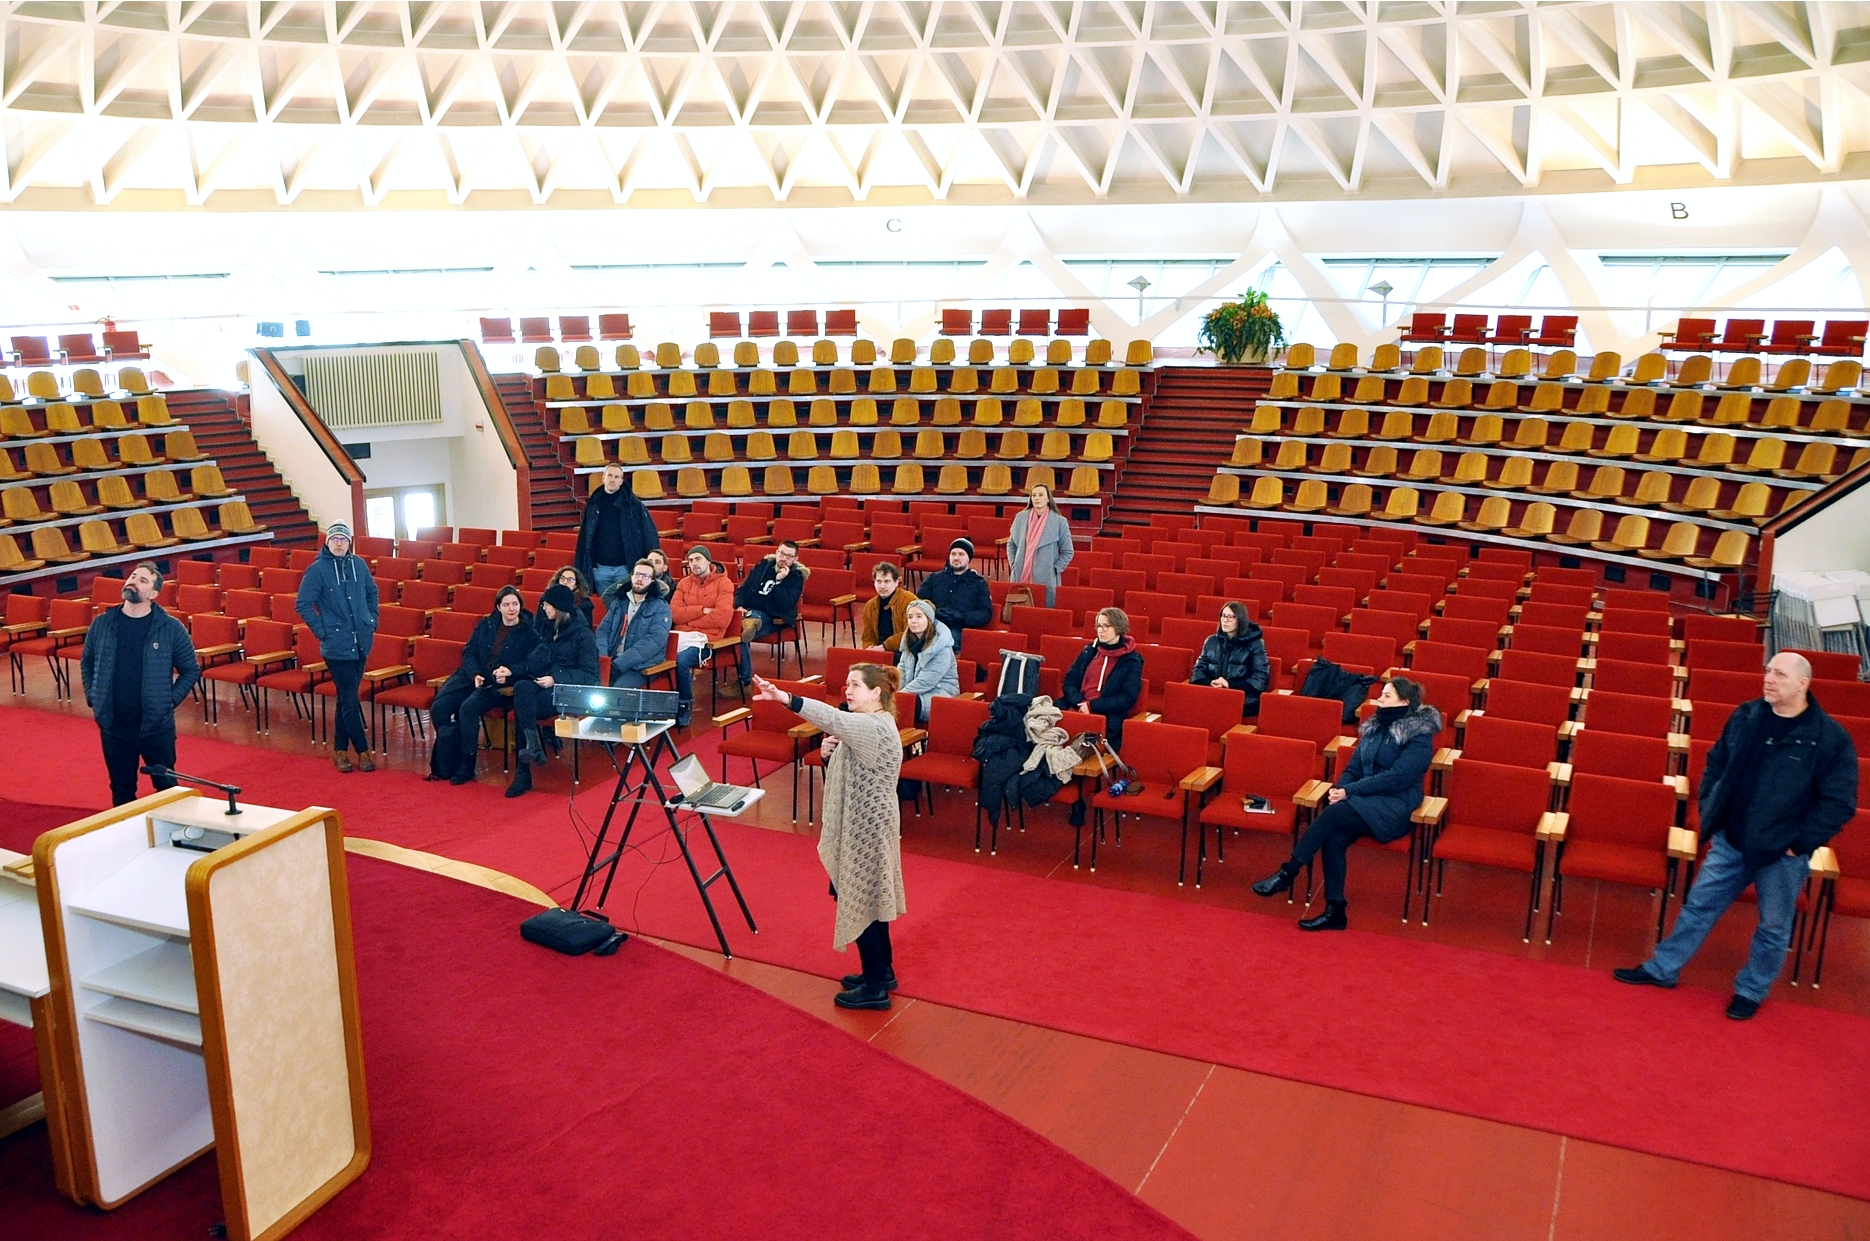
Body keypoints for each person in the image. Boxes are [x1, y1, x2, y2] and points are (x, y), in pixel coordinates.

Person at [1615, 652, 1855, 1019]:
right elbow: (1717, 762)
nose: (1768, 679)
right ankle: (1662, 969)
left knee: (1773, 927)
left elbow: (1838, 803)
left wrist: (1799, 844)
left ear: (1802, 684)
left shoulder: (1829, 738)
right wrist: (1711, 806)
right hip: (1732, 840)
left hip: (1781, 853)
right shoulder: (1747, 716)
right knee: (1699, 907)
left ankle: (1751, 991)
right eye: (1768, 671)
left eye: (1779, 674)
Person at [752, 664, 906, 1011]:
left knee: (862, 899)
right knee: (871, 898)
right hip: (867, 823)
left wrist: (784, 698)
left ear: (876, 693)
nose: (847, 690)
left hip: (867, 828)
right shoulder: (868, 723)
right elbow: (849, 764)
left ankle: (875, 989)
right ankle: (882, 973)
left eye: (855, 685)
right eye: (846, 684)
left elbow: (831, 719)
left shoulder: (872, 725)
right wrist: (828, 757)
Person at [1252, 677, 1441, 931]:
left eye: (1386, 696)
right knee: (1334, 837)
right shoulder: (1375, 726)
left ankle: (1288, 872)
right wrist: (1339, 789)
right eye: (1381, 694)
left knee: (1334, 815)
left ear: (1404, 702)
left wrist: (1348, 792)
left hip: (1396, 805)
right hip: (1364, 800)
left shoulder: (1419, 736)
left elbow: (1397, 778)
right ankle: (1335, 910)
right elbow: (1354, 767)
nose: (1379, 699)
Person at [79, 561, 200, 806]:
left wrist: (168, 701)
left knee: (167, 789)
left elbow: (190, 670)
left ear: (153, 594)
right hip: (113, 726)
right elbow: (87, 663)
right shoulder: (103, 623)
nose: (133, 582)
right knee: (121, 790)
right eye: (133, 576)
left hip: (155, 727)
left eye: (142, 580)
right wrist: (94, 697)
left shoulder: (170, 628)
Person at [427, 586, 540, 785]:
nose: (511, 609)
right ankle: (448, 758)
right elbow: (469, 652)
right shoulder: (486, 624)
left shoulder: (529, 632)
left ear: (520, 606)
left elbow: (532, 663)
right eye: (506, 605)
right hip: (472, 677)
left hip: (498, 685)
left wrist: (511, 671)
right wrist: (475, 674)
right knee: (439, 708)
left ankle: (466, 765)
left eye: (515, 604)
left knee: (467, 708)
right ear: (498, 607)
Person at [295, 521, 380, 773]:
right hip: (336, 645)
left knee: (345, 699)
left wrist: (371, 619)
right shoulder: (317, 570)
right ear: (328, 542)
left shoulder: (359, 565)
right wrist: (322, 631)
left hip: (361, 641)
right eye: (335, 539)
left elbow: (371, 593)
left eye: (344, 539)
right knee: (350, 700)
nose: (339, 543)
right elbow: (302, 604)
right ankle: (363, 752)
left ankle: (340, 751)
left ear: (349, 542)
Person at [506, 582, 600, 798]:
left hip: (570, 691)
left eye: (547, 605)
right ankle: (533, 746)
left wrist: (556, 679)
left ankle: (524, 771)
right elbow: (536, 660)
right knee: (521, 688)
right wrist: (514, 669)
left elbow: (590, 675)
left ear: (559, 608)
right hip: (545, 684)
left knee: (523, 708)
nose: (543, 608)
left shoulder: (584, 635)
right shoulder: (549, 629)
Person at [667, 545, 736, 727]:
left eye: (697, 559)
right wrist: (701, 610)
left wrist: (689, 620)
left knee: (682, 661)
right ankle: (665, 703)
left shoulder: (724, 583)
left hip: (708, 640)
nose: (693, 563)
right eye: (690, 560)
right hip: (682, 635)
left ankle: (684, 703)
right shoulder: (684, 583)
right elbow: (674, 614)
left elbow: (721, 618)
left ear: (708, 561)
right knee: (658, 656)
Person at [573, 462, 661, 600]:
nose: (612, 480)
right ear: (603, 478)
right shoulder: (593, 504)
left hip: (625, 569)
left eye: (616, 477)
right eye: (609, 476)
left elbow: (649, 534)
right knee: (607, 609)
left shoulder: (634, 505)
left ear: (621, 481)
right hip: (600, 570)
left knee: (625, 607)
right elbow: (585, 537)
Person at [1060, 607, 1144, 749]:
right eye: (1099, 626)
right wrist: (1080, 702)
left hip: (1106, 716)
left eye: (1106, 626)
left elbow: (1127, 698)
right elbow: (1070, 681)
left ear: (1118, 628)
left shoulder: (1131, 660)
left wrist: (1091, 706)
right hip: (1076, 707)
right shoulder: (1089, 651)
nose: (1101, 630)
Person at [733, 540, 806, 686]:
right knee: (736, 633)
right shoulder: (762, 567)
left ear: (795, 559)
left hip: (773, 619)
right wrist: (739, 606)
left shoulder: (796, 577)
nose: (784, 558)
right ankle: (748, 622)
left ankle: (744, 681)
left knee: (739, 635)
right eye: (782, 554)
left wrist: (779, 582)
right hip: (747, 610)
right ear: (776, 552)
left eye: (789, 556)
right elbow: (743, 590)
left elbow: (785, 605)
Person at [596, 559, 673, 688]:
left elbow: (653, 642)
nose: (640, 579)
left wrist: (618, 665)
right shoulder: (619, 602)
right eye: (637, 574)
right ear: (631, 576)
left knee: (617, 689)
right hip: (612, 660)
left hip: (641, 665)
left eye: (645, 576)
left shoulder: (661, 607)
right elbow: (603, 631)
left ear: (652, 581)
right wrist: (603, 658)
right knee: (590, 683)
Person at [1191, 601, 1272, 717]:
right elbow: (1198, 670)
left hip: (1243, 698)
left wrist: (1229, 684)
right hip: (1213, 693)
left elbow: (1260, 679)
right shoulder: (1211, 641)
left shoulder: (1256, 644)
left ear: (1240, 620)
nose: (1225, 620)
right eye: (1223, 616)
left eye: (1230, 617)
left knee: (1216, 710)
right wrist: (1210, 682)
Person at [1005, 483, 1074, 607]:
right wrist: (1013, 563)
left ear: (1048, 499)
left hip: (1046, 576)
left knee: (1042, 610)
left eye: (1041, 495)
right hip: (1020, 571)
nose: (1037, 498)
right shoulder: (1020, 518)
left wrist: (1055, 569)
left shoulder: (1059, 522)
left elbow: (1068, 552)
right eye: (1034, 495)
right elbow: (1011, 544)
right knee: (1018, 609)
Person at [918, 537, 993, 649]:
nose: (956, 558)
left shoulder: (978, 583)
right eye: (953, 554)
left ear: (969, 558)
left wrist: (962, 617)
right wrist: (934, 612)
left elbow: (985, 612)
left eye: (961, 554)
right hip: (932, 626)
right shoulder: (934, 578)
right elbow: (919, 602)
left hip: (960, 629)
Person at [896, 599, 958, 724]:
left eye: (919, 616)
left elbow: (925, 681)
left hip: (940, 695)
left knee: (899, 706)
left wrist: (899, 697)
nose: (913, 621)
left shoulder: (942, 648)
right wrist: (893, 691)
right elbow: (901, 671)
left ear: (929, 619)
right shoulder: (909, 642)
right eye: (910, 617)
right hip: (913, 692)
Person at [859, 562, 917, 653]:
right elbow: (868, 636)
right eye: (879, 581)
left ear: (896, 582)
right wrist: (869, 649)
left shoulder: (909, 600)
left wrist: (885, 646)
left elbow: (911, 633)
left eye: (887, 581)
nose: (882, 586)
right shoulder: (870, 606)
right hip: (878, 650)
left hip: (903, 650)